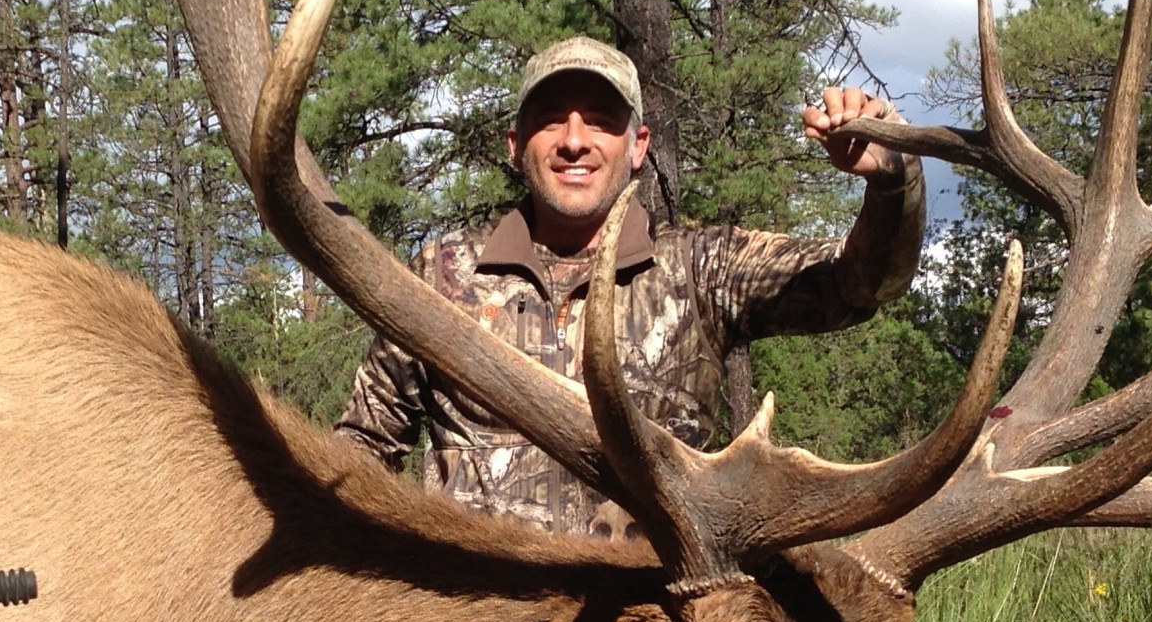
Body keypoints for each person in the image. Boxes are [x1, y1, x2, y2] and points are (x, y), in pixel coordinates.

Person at [334, 35, 924, 537]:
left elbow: (862, 284)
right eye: (549, 119)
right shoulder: (443, 274)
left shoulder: (702, 269)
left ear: (638, 146)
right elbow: (363, 445)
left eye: (600, 119)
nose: (573, 139)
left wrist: (894, 177)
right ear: (516, 146)